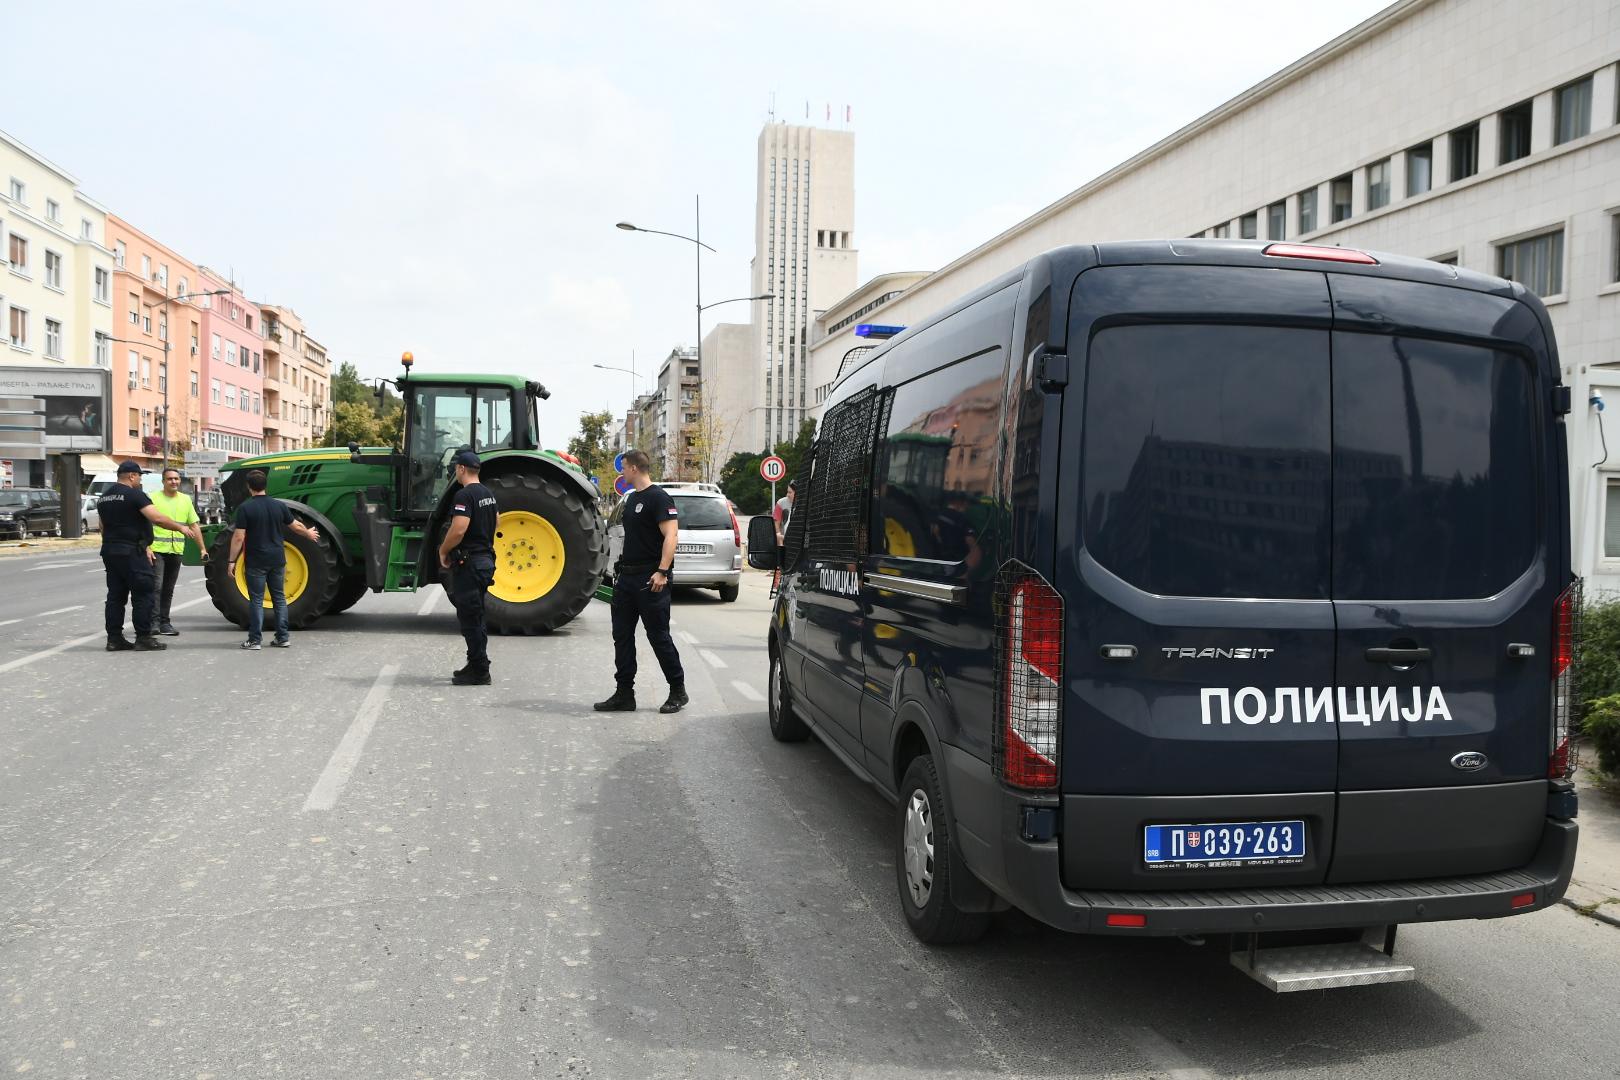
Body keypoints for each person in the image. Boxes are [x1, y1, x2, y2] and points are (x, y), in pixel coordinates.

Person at [595, 449, 686, 714]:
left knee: (658, 636)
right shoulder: (632, 498)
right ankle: (624, 694)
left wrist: (662, 571)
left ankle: (678, 691)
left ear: (634, 468)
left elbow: (671, 536)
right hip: (627, 578)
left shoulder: (659, 497)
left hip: (651, 578)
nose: (621, 473)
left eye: (623, 467)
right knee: (621, 637)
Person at [97, 460, 194, 652]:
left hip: (110, 550)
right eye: (139, 476)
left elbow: (102, 527)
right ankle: (143, 637)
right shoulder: (135, 495)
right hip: (132, 551)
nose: (140, 480)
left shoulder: (104, 497)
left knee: (115, 596)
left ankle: (114, 638)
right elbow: (157, 518)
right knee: (143, 593)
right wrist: (180, 527)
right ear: (132, 475)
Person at [226, 469, 320, 651]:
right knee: (279, 598)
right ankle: (283, 637)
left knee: (256, 600)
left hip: (256, 561)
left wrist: (231, 561)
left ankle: (254, 640)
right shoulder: (279, 506)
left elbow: (238, 537)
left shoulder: (246, 508)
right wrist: (308, 533)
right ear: (265, 486)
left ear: (248, 487)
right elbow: (295, 526)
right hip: (277, 559)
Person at [437, 450, 499, 686]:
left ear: (461, 469)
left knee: (470, 618)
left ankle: (480, 670)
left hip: (470, 563)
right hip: (484, 561)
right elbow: (497, 521)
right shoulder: (488, 494)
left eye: (456, 469)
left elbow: (459, 528)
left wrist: (443, 550)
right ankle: (475, 663)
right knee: (477, 615)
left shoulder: (464, 495)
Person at [150, 467, 208, 636]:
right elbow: (144, 524)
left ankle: (165, 623)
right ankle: (153, 623)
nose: (174, 481)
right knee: (156, 587)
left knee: (168, 588)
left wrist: (202, 549)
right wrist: (146, 546)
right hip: (157, 549)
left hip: (176, 550)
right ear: (163, 481)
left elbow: (194, 525)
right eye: (170, 479)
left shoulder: (185, 500)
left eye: (176, 479)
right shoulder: (153, 498)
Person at [773, 478, 798, 545]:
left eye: (790, 492)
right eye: (787, 492)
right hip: (784, 539)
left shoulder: (805, 503)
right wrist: (779, 538)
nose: (787, 495)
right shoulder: (781, 503)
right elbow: (776, 523)